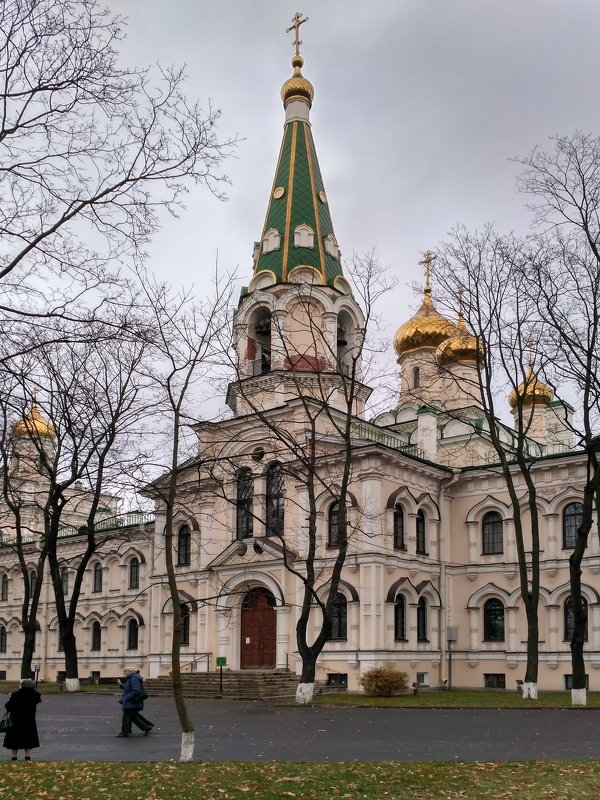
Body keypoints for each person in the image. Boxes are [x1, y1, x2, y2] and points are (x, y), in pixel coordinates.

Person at [3, 678, 41, 761]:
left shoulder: (16, 695)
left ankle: (14, 757)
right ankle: (27, 756)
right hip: (29, 721)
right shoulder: (35, 696)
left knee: (14, 740)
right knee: (29, 739)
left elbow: (8, 706)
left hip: (16, 720)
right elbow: (38, 698)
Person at [116, 668, 153, 737]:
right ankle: (126, 731)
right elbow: (128, 688)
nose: (125, 672)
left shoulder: (133, 679)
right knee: (132, 717)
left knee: (128, 717)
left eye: (126, 671)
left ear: (130, 672)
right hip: (131, 702)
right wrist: (121, 685)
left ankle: (146, 727)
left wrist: (127, 698)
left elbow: (136, 690)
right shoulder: (132, 678)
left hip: (131, 702)